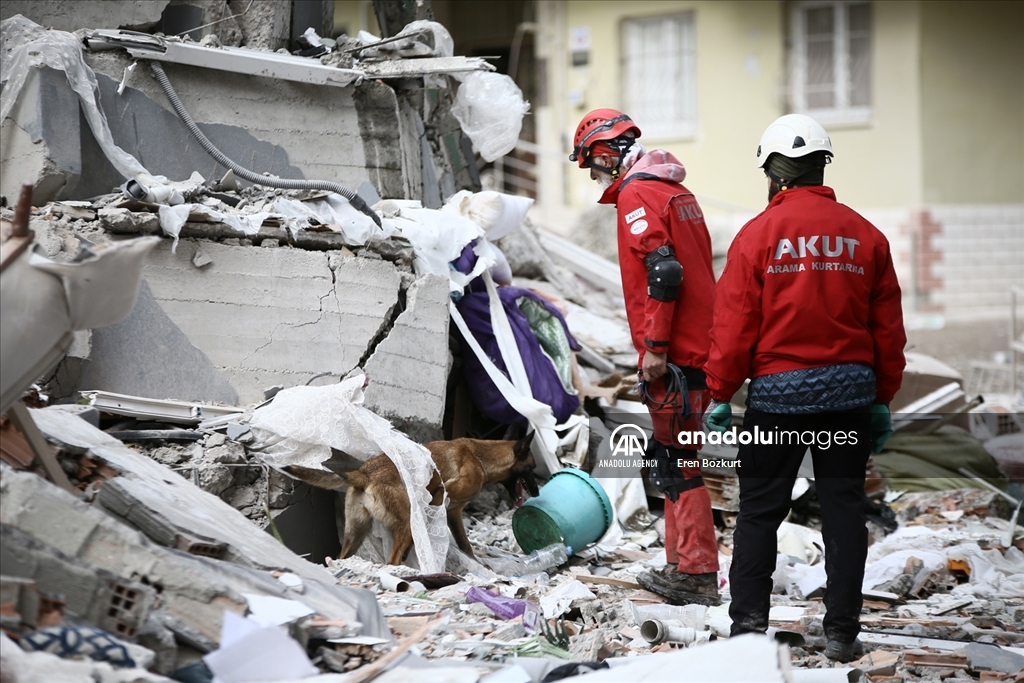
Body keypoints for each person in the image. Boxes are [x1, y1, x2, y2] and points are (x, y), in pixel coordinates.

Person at [702, 114, 906, 660]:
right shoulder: (867, 236)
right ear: (823, 166)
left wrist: (720, 393)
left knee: (761, 511)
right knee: (844, 509)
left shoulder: (756, 236)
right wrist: (882, 399)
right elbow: (886, 330)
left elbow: (734, 324)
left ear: (772, 171)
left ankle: (747, 630)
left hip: (778, 400)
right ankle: (841, 632)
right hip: (848, 399)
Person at [570, 109, 720, 605]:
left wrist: (654, 349)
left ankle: (695, 573)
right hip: (698, 350)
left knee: (679, 463)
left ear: (606, 152)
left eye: (593, 164)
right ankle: (680, 565)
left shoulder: (638, 192)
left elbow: (666, 273)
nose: (595, 175)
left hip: (675, 357)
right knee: (677, 458)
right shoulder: (676, 192)